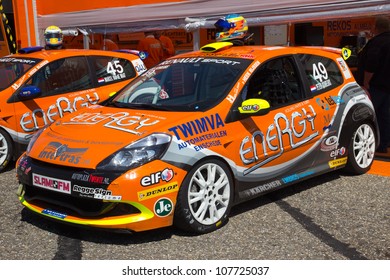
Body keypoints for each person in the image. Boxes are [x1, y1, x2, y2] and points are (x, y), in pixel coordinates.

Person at [357, 16, 390, 154]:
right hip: (387, 86)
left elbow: (371, 65)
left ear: (376, 27)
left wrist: (366, 82)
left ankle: (368, 143)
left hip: (375, 86)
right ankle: (383, 144)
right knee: (385, 116)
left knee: (366, 114)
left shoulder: (377, 42)